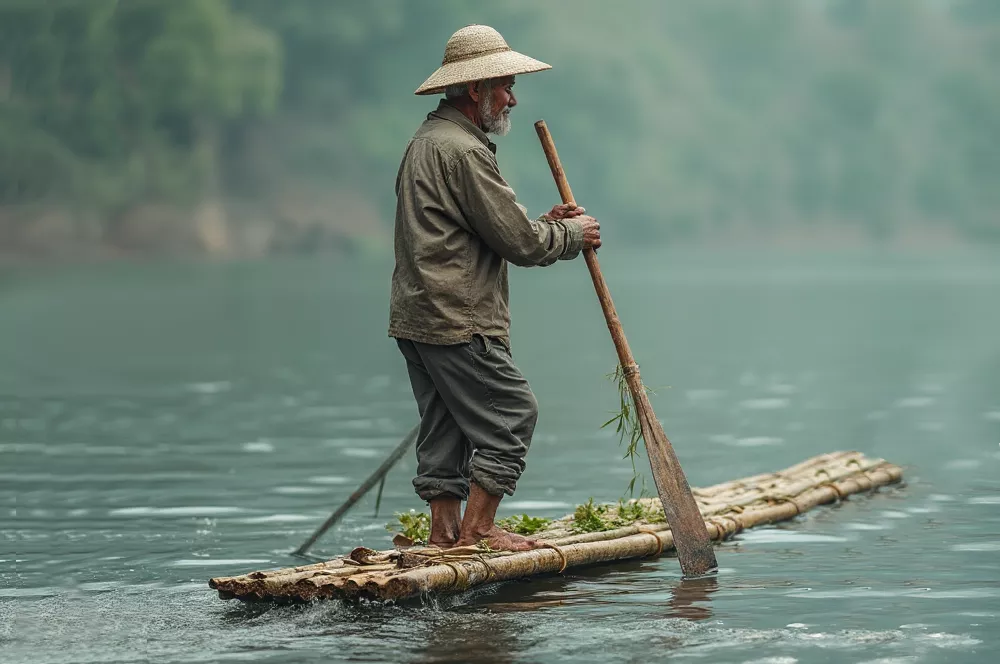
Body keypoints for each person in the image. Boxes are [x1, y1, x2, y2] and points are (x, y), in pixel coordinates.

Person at [389, 25, 601, 551]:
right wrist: (572, 234)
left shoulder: (427, 142)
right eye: (504, 85)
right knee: (512, 414)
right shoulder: (461, 151)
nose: (512, 96)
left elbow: (488, 227)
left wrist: (546, 224)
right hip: (457, 317)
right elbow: (521, 243)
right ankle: (478, 529)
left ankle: (443, 534)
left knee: (446, 423)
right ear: (475, 90)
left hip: (418, 316)